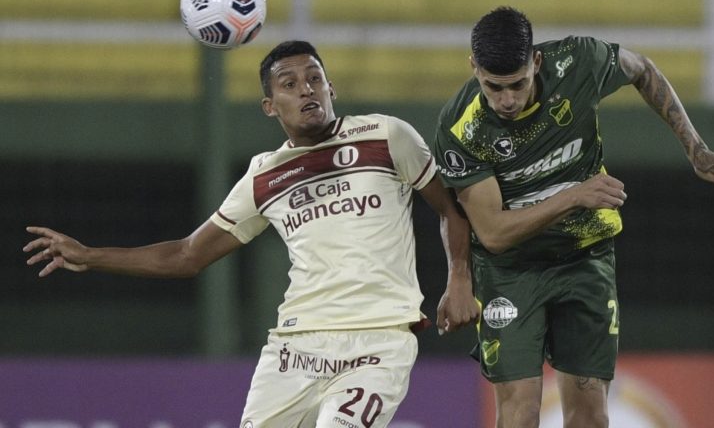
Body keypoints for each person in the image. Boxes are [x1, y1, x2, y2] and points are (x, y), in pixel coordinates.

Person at [24, 40, 478, 428]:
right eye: (289, 84)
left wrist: (460, 277)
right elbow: (187, 255)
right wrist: (92, 255)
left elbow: (451, 208)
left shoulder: (386, 136)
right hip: (295, 347)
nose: (306, 90)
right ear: (269, 106)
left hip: (378, 342)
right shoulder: (265, 176)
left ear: (330, 87)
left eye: (314, 78)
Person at [432, 6, 714, 428]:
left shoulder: (577, 62)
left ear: (537, 62)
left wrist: (695, 148)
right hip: (511, 271)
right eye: (494, 87)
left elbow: (641, 68)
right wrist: (573, 196)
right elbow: (493, 233)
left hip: (583, 257)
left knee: (590, 415)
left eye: (518, 84)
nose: (506, 100)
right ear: (474, 68)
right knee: (520, 412)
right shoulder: (461, 127)